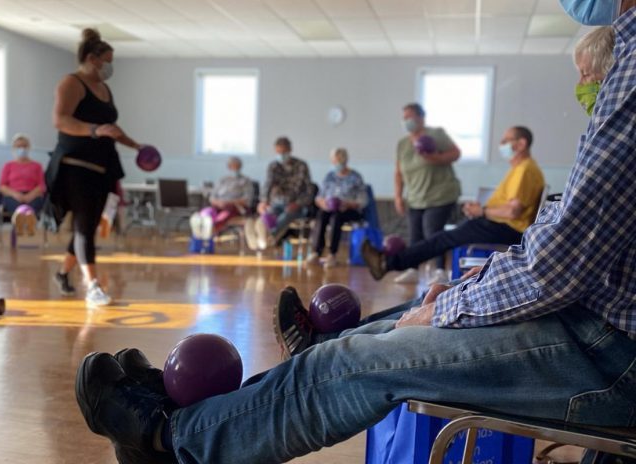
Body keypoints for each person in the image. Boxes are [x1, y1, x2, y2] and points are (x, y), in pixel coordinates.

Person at [74, 4, 636, 463]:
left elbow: (555, 262)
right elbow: (567, 239)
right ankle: (263, 382)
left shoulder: (631, 70)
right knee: (415, 310)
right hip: (594, 322)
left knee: (352, 365)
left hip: (611, 353)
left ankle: (171, 441)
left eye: (590, 76)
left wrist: (451, 305)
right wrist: (458, 295)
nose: (588, 84)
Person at [361, 125, 546, 282]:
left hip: (506, 229)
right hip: (498, 224)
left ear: (521, 144)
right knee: (442, 237)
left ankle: (389, 262)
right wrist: (480, 210)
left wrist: (482, 211)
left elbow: (513, 212)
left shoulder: (525, 170)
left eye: (506, 140)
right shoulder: (522, 169)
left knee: (442, 238)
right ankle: (390, 262)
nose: (501, 144)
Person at [46, 28, 143, 306]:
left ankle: (63, 273)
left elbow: (110, 127)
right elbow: (60, 120)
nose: (110, 65)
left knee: (87, 225)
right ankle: (93, 285)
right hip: (75, 166)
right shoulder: (71, 82)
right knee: (84, 226)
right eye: (107, 59)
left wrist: (135, 145)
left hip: (103, 168)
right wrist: (93, 130)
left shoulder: (104, 88)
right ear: (91, 57)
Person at [393, 103, 461, 285]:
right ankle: (413, 268)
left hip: (440, 194)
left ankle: (440, 271)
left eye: (410, 117)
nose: (406, 121)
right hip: (415, 196)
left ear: (421, 118)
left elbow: (456, 153)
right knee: (415, 234)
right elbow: (399, 172)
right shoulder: (402, 144)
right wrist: (398, 196)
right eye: (404, 118)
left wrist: (436, 158)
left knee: (433, 231)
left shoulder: (437, 134)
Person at [244, 137, 313, 251]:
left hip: (296, 205)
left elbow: (309, 190)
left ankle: (268, 236)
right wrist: (263, 201)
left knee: (285, 216)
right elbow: (268, 184)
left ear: (290, 150)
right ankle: (259, 231)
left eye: (284, 152)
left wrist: (298, 203)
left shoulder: (301, 166)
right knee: (269, 213)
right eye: (279, 152)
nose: (281, 155)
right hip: (278, 202)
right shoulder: (274, 166)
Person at [305, 148, 368, 268]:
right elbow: (319, 197)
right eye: (335, 160)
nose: (337, 163)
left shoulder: (355, 177)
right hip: (329, 208)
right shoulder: (329, 176)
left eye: (340, 160)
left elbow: (363, 200)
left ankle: (332, 254)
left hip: (349, 210)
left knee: (336, 218)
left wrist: (347, 204)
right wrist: (323, 203)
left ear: (345, 160)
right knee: (321, 215)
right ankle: (316, 252)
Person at [189, 157, 254, 240]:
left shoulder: (246, 181)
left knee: (226, 212)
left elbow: (247, 200)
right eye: (232, 166)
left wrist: (228, 202)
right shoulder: (222, 180)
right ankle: (200, 228)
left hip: (234, 207)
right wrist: (218, 202)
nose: (234, 168)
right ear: (228, 167)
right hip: (218, 205)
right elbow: (212, 197)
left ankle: (211, 230)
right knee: (207, 212)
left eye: (236, 166)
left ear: (240, 167)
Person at [0, 133, 46, 236]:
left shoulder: (37, 166)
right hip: (13, 195)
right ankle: (25, 220)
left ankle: (25, 220)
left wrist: (30, 195)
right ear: (14, 149)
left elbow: (42, 186)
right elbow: (2, 186)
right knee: (19, 206)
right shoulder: (8, 166)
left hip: (33, 195)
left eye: (24, 146)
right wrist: (15, 194)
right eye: (18, 146)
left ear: (29, 148)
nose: (22, 148)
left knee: (33, 204)